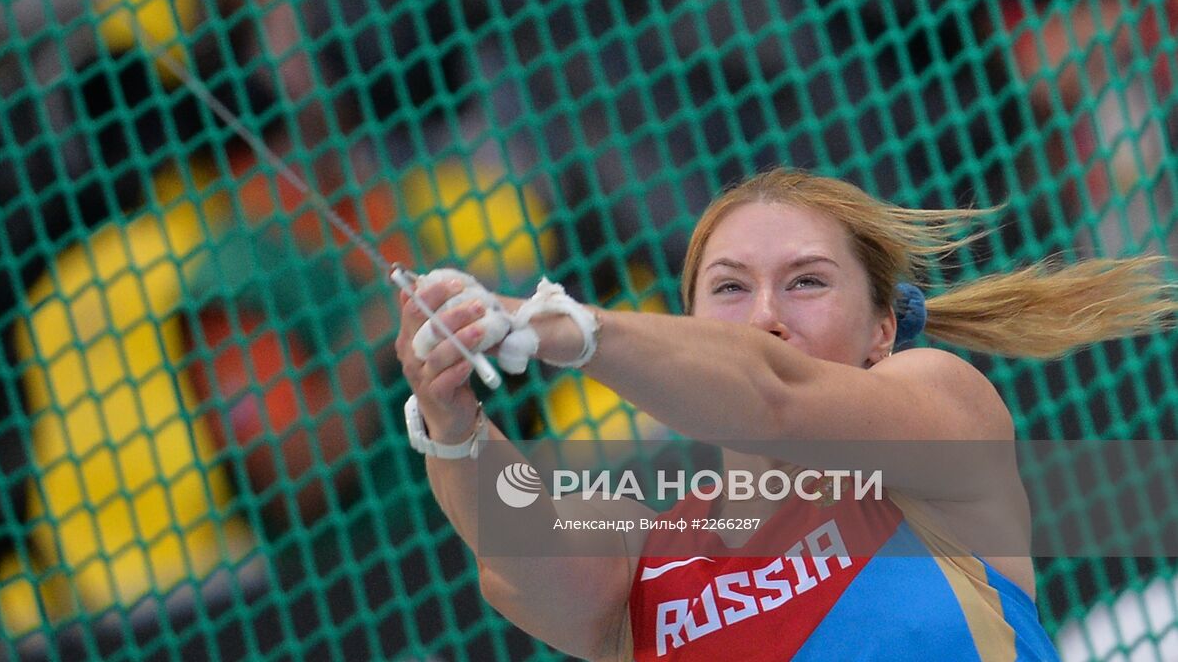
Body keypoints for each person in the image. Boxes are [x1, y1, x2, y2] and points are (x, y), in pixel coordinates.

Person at [395, 168, 1171, 660]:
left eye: (806, 283)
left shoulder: (942, 414)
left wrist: (563, 328)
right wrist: (449, 416)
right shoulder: (643, 558)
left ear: (879, 331)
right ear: (688, 325)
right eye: (728, 289)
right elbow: (517, 556)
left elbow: (773, 398)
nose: (764, 316)